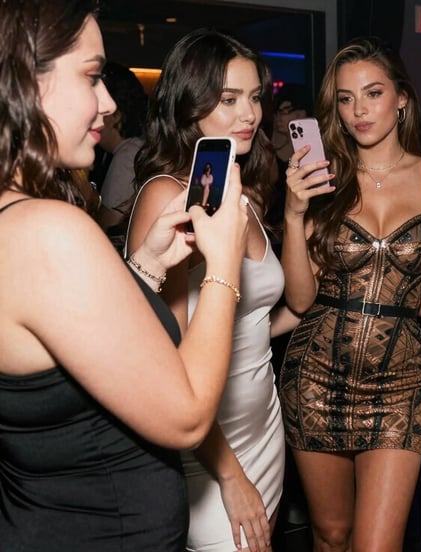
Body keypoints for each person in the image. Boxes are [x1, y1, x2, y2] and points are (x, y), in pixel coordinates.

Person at [0, 1, 248, 549]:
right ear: (25, 83)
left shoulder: (16, 220)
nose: (110, 103)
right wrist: (224, 265)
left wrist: (147, 265)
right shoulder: (47, 230)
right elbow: (187, 417)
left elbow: (66, 348)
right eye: (92, 77)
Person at [278, 36, 421, 551]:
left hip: (400, 385)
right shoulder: (323, 177)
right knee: (331, 535)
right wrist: (294, 213)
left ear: (402, 98)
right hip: (315, 376)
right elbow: (301, 300)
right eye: (346, 99)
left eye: (373, 93)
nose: (359, 111)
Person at [128, 29, 289, 552]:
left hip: (264, 424)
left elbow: (260, 316)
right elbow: (166, 362)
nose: (250, 114)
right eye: (228, 99)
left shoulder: (245, 192)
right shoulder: (167, 198)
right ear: (189, 105)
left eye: (255, 98)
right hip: (210, 447)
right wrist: (230, 475)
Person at [94, 61, 148, 241]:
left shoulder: (128, 156)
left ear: (115, 116)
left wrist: (89, 198)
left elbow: (107, 225)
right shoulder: (136, 148)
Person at [271, 83, 313, 165]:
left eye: (284, 111)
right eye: (277, 112)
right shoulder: (274, 139)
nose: (278, 117)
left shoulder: (315, 143)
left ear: (301, 114)